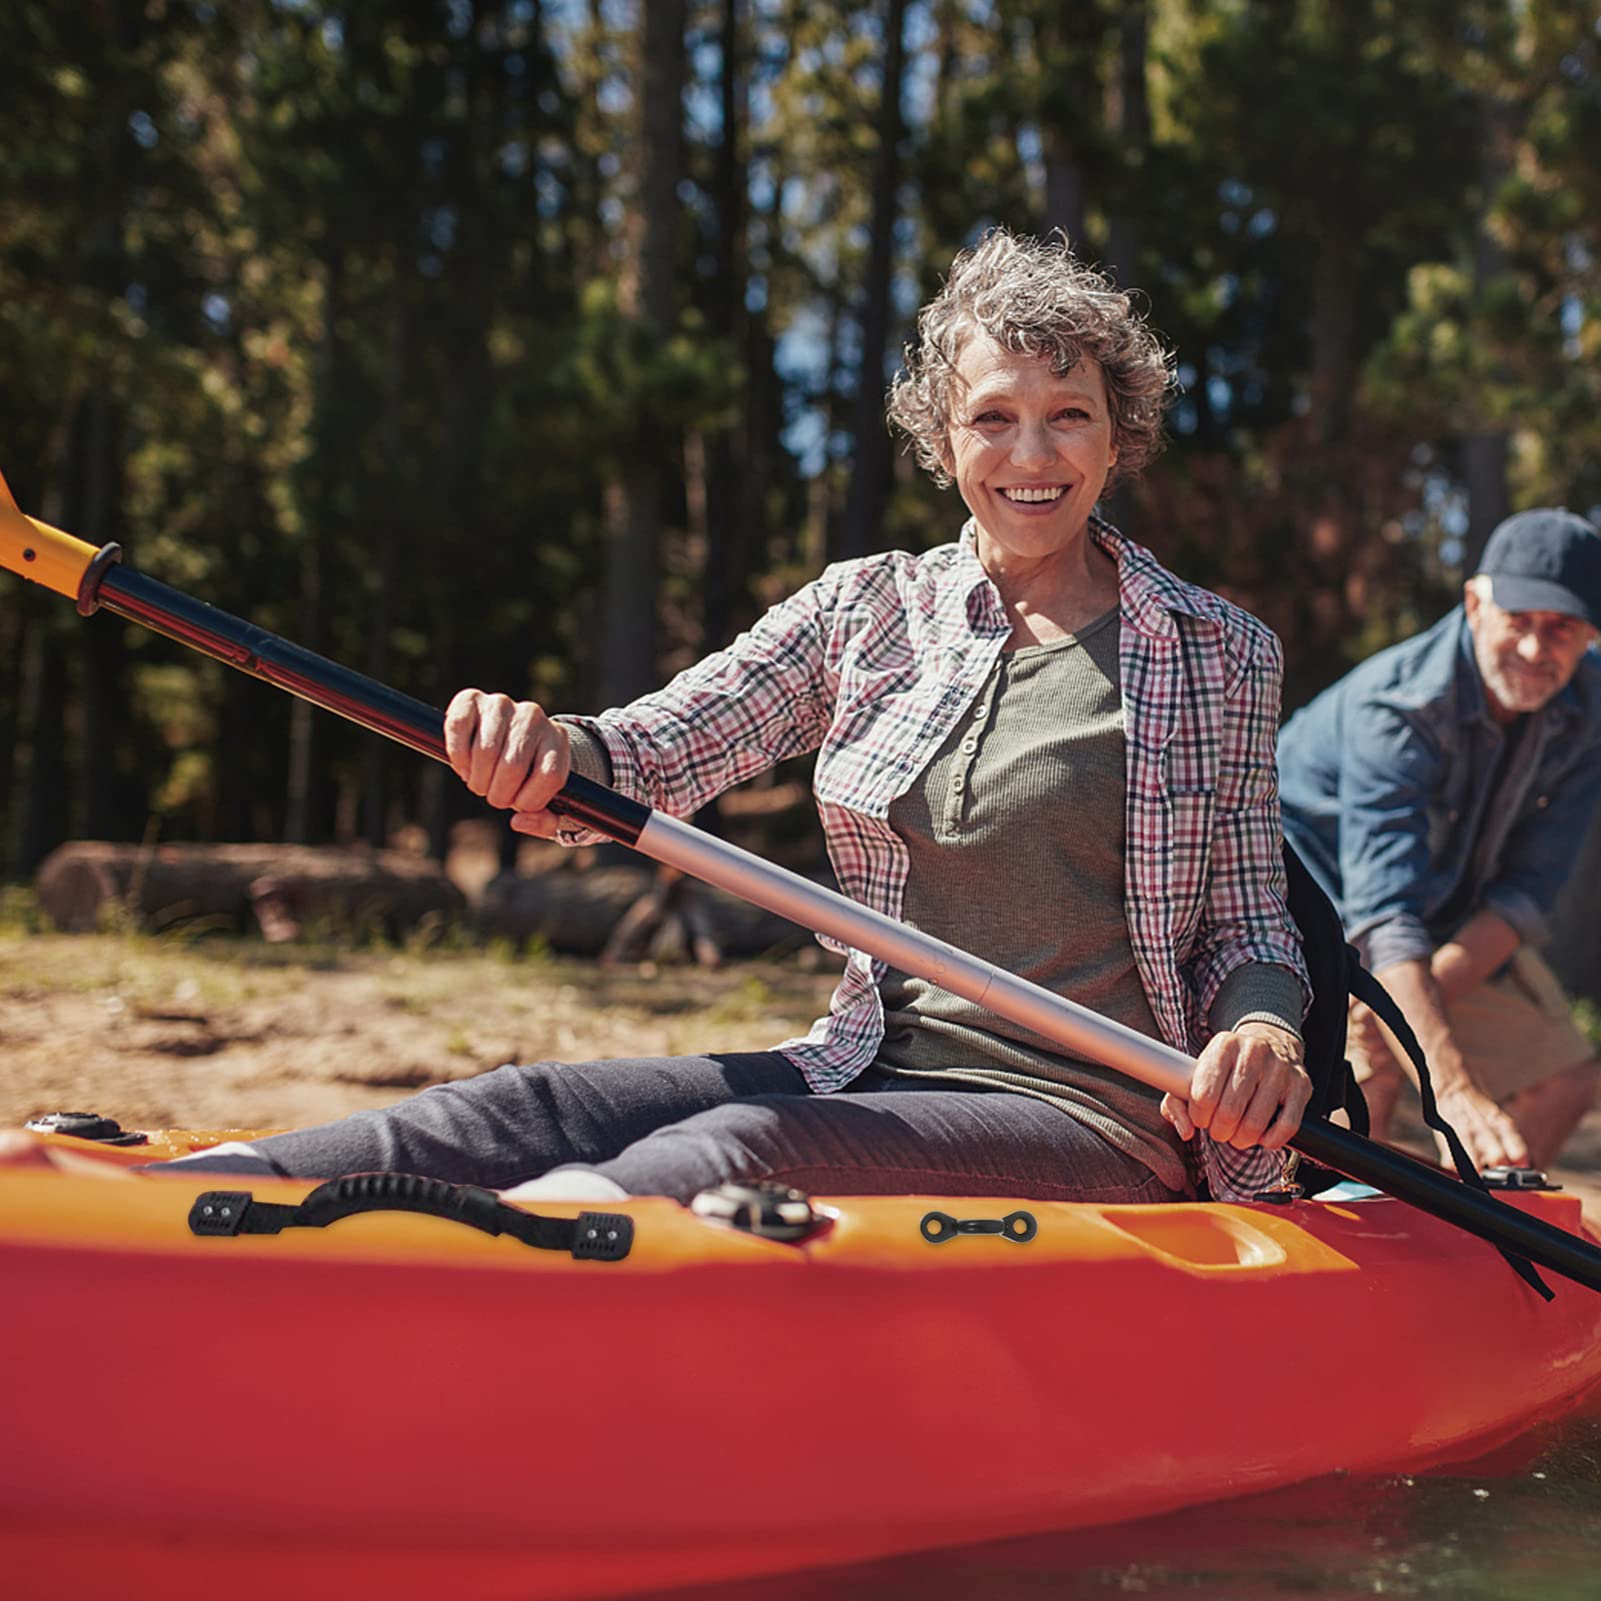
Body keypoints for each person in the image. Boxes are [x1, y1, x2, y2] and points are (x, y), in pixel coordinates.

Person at [163, 228, 1313, 1205]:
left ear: (1119, 434)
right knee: (529, 1102)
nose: (1029, 453)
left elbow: (1247, 925)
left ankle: (502, 1289)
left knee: (732, 1154)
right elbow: (662, 745)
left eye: (1067, 415)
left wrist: (1262, 1033)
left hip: (1090, 1110)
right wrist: (552, 750)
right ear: (942, 437)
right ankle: (181, 1201)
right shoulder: (867, 610)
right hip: (863, 1066)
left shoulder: (1213, 650)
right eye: (992, 416)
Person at [1278, 507, 1601, 1173]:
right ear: (1474, 604)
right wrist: (1449, 1087)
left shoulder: (1588, 708)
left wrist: (1406, 1005)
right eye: (1519, 620)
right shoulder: (1394, 710)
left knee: (1563, 1081)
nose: (1537, 650)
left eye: (1561, 628)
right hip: (1300, 915)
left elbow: (1523, 895)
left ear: (1589, 634)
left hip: (1431, 930)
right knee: (1364, 1092)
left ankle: (1472, 1252)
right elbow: (1381, 918)